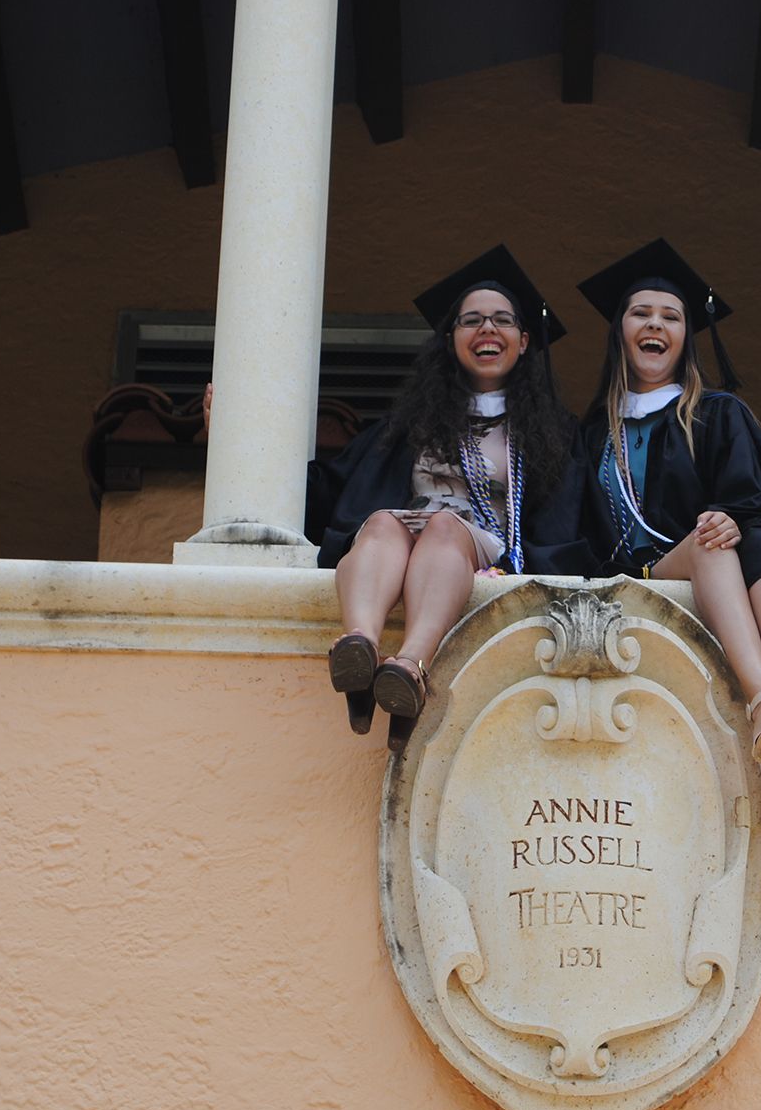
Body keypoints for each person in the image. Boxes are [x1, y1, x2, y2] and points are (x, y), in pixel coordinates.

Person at [211, 246, 587, 741]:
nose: (487, 329)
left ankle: (409, 665)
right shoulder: (412, 422)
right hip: (405, 531)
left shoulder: (551, 431)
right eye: (470, 320)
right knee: (382, 523)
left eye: (501, 320)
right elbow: (324, 489)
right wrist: (235, 436)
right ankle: (360, 647)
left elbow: (566, 519)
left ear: (523, 339)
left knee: (445, 528)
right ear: (450, 339)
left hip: (477, 542)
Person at [574, 239, 761, 813]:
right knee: (714, 544)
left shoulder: (716, 412)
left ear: (687, 336)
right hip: (639, 573)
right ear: (620, 330)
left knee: (744, 538)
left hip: (714, 561)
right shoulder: (592, 435)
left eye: (671, 316)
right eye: (641, 313)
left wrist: (730, 517)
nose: (655, 325)